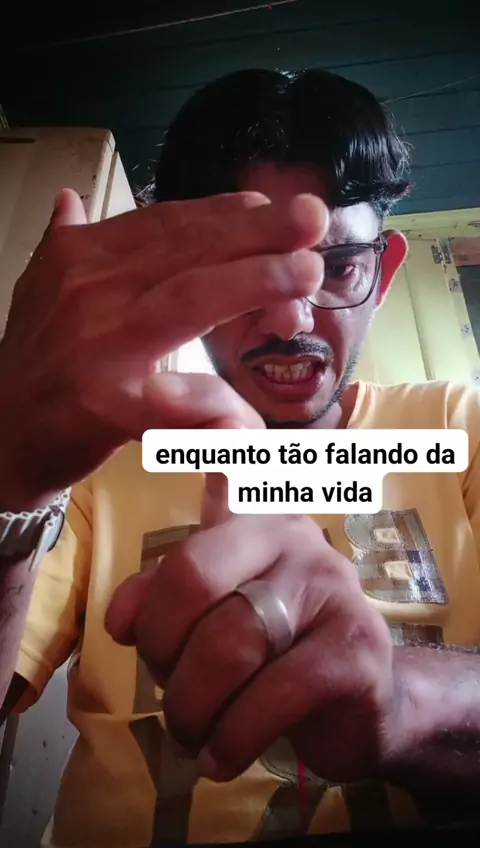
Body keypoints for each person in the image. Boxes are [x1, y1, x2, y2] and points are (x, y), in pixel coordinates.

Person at [0, 68, 480, 848]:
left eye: (337, 266)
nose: (291, 320)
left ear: (384, 272)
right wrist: (8, 480)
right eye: (243, 273)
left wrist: (400, 701)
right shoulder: (98, 464)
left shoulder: (462, 426)